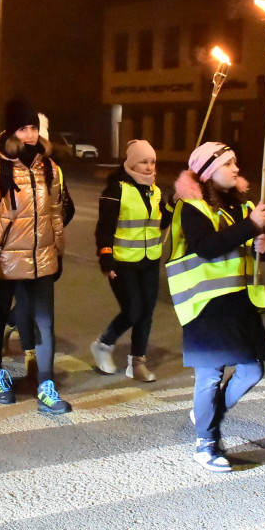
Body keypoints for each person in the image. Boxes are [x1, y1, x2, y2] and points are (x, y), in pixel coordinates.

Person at [167, 142, 265, 472]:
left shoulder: (241, 206)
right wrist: (250, 227)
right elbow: (208, 248)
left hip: (237, 301)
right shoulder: (193, 208)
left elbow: (255, 249)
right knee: (210, 377)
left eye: (236, 162)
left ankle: (209, 414)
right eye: (229, 164)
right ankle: (206, 442)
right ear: (211, 172)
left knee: (253, 369)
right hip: (204, 305)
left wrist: (263, 245)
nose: (237, 169)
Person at [0, 98, 70, 415]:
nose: (29, 134)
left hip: (42, 259)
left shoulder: (50, 169)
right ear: (10, 131)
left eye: (33, 128)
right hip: (4, 262)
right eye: (22, 128)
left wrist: (58, 251)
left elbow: (55, 213)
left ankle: (46, 383)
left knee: (45, 323)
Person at [90, 139, 169, 382]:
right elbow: (104, 228)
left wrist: (173, 205)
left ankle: (137, 363)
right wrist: (107, 259)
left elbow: (161, 223)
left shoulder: (155, 191)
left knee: (147, 312)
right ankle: (103, 345)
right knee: (133, 310)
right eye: (143, 161)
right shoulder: (116, 190)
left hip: (149, 260)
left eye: (152, 161)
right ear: (132, 163)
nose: (148, 166)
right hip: (123, 261)